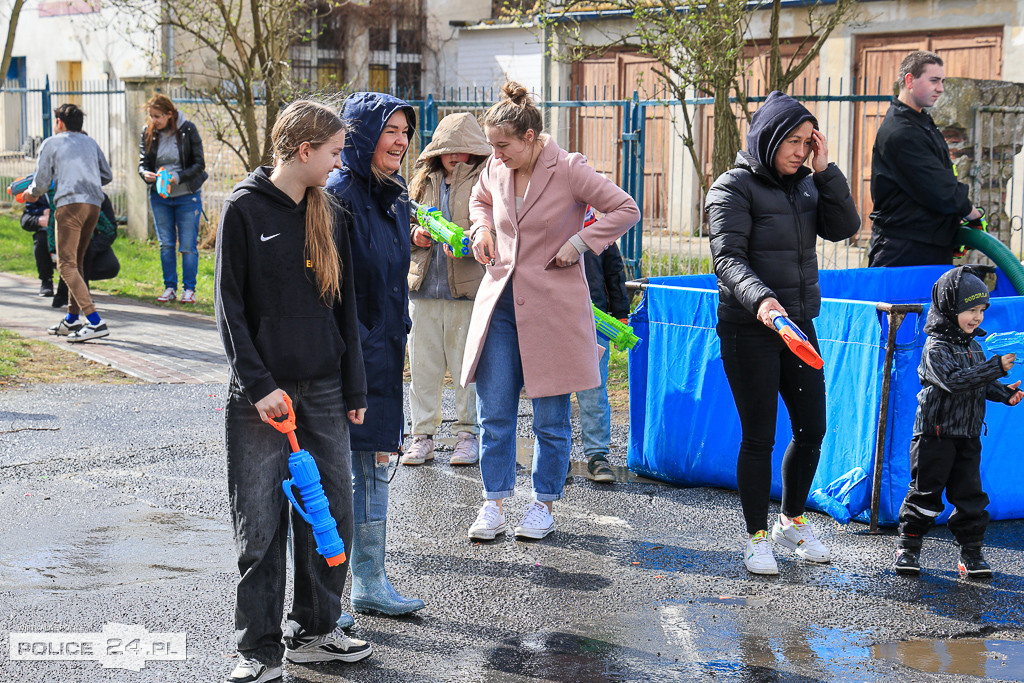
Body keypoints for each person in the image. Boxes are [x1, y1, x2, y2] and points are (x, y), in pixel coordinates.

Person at [215, 100, 372, 683]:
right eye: (333, 152)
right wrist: (260, 387)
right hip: (260, 399)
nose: (339, 163)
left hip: (326, 389)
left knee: (331, 516)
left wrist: (354, 384)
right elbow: (229, 310)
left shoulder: (330, 214)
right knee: (260, 527)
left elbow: (346, 306)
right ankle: (257, 650)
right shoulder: (243, 210)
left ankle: (316, 630)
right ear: (304, 151)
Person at [462, 81, 640, 541]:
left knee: (550, 417)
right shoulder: (496, 167)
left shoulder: (570, 169)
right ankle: (493, 502)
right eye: (492, 147)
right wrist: (481, 230)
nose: (495, 156)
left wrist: (580, 244)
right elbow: (479, 200)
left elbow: (625, 208)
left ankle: (542, 504)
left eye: (502, 146)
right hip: (500, 304)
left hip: (554, 310)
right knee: (494, 412)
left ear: (529, 138)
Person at [705, 90, 861, 575]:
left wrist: (827, 168)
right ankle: (756, 536)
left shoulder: (807, 185)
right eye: (791, 141)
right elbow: (727, 258)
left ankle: (791, 520)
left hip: (798, 326)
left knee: (812, 427)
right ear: (768, 138)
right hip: (749, 326)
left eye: (805, 141)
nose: (799, 150)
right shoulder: (731, 188)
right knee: (759, 437)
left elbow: (845, 227)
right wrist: (763, 302)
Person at [325, 92, 424, 618]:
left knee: (375, 467)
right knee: (337, 475)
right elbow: (331, 291)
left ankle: (371, 581)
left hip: (385, 356)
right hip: (348, 361)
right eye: (391, 131)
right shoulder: (337, 196)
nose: (402, 141)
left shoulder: (393, 195)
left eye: (406, 132)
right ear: (362, 136)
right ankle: (329, 593)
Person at [894, 266, 1023, 578]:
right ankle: (908, 547)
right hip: (934, 436)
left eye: (981, 310)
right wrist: (995, 368)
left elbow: (977, 383)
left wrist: (1004, 393)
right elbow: (954, 381)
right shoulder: (934, 347)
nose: (976, 317)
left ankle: (971, 553)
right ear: (950, 308)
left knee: (970, 496)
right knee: (925, 493)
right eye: (970, 310)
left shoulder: (974, 346)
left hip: (968, 434)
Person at [401, 112, 490, 467]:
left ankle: (469, 436)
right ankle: (421, 436)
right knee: (423, 368)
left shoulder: (486, 181)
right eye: (447, 149)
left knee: (466, 369)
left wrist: (471, 242)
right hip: (422, 290)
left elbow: (496, 226)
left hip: (466, 293)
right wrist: (414, 236)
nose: (454, 156)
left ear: (475, 151)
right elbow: (403, 222)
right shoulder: (422, 180)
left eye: (462, 149)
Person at [868, 50, 983, 267]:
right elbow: (939, 189)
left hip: (928, 244)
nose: (940, 88)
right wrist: (973, 215)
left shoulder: (920, 121)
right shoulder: (901, 131)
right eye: (934, 80)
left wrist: (951, 223)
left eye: (942, 81)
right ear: (910, 80)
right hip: (902, 250)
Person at [25, 103, 112, 342]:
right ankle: (72, 320)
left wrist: (30, 194)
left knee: (65, 265)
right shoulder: (91, 143)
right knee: (77, 262)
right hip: (94, 204)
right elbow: (107, 175)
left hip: (69, 205)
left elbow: (40, 184)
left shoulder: (52, 143)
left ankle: (95, 321)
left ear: (59, 123)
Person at [576, 210, 631, 483]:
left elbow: (615, 272)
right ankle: (554, 455)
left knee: (594, 387)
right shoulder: (550, 224)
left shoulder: (601, 230)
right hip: (555, 317)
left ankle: (597, 455)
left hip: (596, 319)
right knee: (554, 390)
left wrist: (620, 312)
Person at [138, 93, 208, 304]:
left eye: (158, 116)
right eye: (151, 116)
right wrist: (145, 174)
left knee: (187, 244)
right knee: (166, 244)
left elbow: (199, 164)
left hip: (186, 195)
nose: (154, 121)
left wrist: (178, 177)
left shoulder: (188, 130)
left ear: (170, 114)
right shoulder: (148, 132)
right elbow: (143, 162)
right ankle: (170, 287)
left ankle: (189, 289)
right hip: (160, 196)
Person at [20, 192, 55, 297]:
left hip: (70, 227)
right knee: (41, 239)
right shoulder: (39, 191)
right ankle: (46, 281)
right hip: (48, 231)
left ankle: (82, 285)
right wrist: (39, 219)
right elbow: (26, 218)